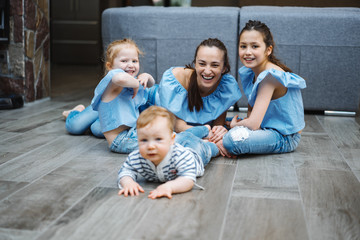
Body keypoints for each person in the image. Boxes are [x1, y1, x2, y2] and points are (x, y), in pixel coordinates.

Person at [219, 20, 306, 157]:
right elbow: (251, 112)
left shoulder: (269, 76)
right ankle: (217, 134)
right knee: (218, 120)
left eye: (254, 46)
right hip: (264, 125)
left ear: (268, 50)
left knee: (232, 140)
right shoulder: (252, 72)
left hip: (284, 137)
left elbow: (253, 124)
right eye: (243, 46)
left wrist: (234, 127)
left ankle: (219, 140)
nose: (248, 52)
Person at [64, 39, 156, 153]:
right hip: (100, 109)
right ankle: (76, 111)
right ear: (110, 66)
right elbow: (120, 79)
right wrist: (137, 83)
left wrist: (147, 76)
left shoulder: (135, 81)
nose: (130, 65)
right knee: (75, 127)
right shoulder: (115, 78)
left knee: (97, 130)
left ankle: (95, 123)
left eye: (134, 61)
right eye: (124, 61)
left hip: (115, 115)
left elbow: (151, 84)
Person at [155, 38, 242, 156]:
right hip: (157, 103)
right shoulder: (175, 79)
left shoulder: (225, 86)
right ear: (195, 64)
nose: (207, 71)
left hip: (196, 128)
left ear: (224, 68)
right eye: (202, 64)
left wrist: (219, 132)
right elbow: (178, 126)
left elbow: (217, 124)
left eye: (215, 65)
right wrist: (208, 135)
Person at [117, 106, 219, 199]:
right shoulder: (136, 156)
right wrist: (128, 182)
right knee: (185, 135)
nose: (150, 146)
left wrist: (170, 187)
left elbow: (187, 179)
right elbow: (125, 171)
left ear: (171, 139)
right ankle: (204, 130)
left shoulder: (181, 156)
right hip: (180, 139)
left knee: (206, 148)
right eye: (144, 140)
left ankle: (207, 132)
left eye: (158, 139)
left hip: (195, 152)